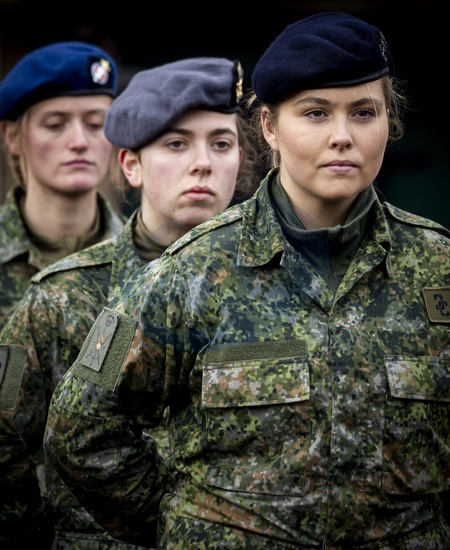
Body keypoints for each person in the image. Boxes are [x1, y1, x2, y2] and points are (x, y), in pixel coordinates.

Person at [44, 12, 450, 548]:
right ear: (269, 129)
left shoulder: (437, 265)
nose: (342, 136)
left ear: (388, 122)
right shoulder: (191, 270)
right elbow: (80, 428)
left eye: (363, 112)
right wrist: (185, 525)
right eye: (315, 113)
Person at [0, 57, 260, 549]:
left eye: (221, 143)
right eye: (176, 143)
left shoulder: (279, 289)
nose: (203, 162)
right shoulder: (62, 295)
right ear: (131, 165)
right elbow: (3, 434)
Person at [0, 41, 125, 333]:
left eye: (96, 124)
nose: (79, 142)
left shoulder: (149, 261)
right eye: (55, 125)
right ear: (12, 137)